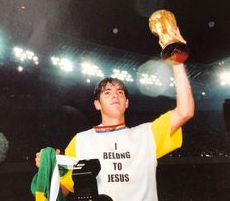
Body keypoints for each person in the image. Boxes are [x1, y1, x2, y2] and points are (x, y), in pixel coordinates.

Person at [35, 28, 194, 200]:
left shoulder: (148, 134)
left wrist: (177, 61)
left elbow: (185, 111)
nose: (115, 95)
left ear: (126, 103)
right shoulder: (81, 141)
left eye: (120, 92)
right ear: (97, 104)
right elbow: (62, 190)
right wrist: (49, 170)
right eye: (107, 92)